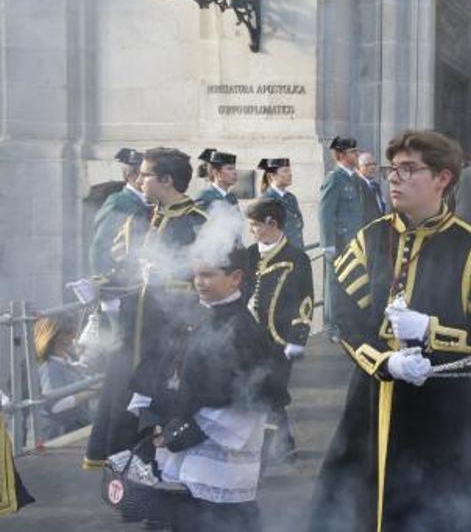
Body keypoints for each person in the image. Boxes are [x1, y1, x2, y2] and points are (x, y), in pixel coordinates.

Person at [308, 130, 471, 531]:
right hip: (374, 401)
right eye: (392, 170)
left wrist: (433, 331)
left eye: (409, 169)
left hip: (448, 414)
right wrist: (383, 360)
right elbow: (347, 324)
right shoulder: (369, 240)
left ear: (443, 178)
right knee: (359, 508)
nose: (395, 178)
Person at [141, 247, 287, 532]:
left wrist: (184, 430)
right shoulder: (192, 316)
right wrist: (159, 420)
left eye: (208, 275)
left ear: (235, 278)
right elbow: (163, 371)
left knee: (223, 518)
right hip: (183, 439)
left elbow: (247, 396)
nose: (199, 282)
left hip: (219, 445)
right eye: (196, 274)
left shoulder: (244, 328)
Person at [85, 147, 208, 469]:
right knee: (125, 411)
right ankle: (130, 485)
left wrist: (167, 279)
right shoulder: (139, 219)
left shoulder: (198, 224)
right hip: (133, 334)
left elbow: (213, 282)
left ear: (166, 180)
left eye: (146, 174)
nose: (139, 180)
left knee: (162, 415)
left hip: (171, 337)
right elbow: (122, 270)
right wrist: (102, 286)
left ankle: (162, 487)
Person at [243, 198, 314, 466]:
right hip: (248, 338)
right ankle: (280, 448)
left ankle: (274, 451)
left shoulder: (297, 258)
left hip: (279, 340)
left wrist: (297, 339)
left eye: (254, 225)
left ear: (271, 223)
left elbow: (305, 301)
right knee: (256, 391)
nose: (252, 230)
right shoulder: (248, 255)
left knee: (272, 392)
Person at [318, 135, 366, 337]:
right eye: (352, 152)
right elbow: (325, 212)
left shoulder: (354, 178)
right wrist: (327, 244)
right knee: (334, 283)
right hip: (339, 241)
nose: (357, 155)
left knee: (352, 281)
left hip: (355, 241)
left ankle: (347, 322)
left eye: (356, 151)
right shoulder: (334, 179)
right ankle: (332, 325)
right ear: (341, 155)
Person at [89, 147, 151, 275]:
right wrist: (102, 278)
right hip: (123, 275)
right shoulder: (119, 202)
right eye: (145, 175)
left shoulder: (152, 202)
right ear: (132, 176)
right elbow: (100, 246)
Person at [34, 313, 94, 440]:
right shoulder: (49, 368)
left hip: (78, 426)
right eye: (68, 333)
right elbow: (56, 407)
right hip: (61, 435)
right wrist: (91, 391)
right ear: (55, 337)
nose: (72, 337)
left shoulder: (68, 358)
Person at [258, 157, 305, 249]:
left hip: (296, 251)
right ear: (272, 176)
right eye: (285, 171)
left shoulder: (291, 198)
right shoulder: (266, 200)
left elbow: (299, 225)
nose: (290, 174)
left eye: (290, 171)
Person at [358, 151, 386, 223]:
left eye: (374, 164)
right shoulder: (356, 186)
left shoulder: (376, 186)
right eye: (368, 165)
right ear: (359, 167)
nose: (372, 167)